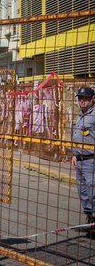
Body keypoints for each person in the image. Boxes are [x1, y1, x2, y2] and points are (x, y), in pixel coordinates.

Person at [72, 87, 95, 239]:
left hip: (91, 160)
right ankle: (90, 221)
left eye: (85, 98)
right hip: (79, 160)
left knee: (93, 193)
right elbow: (77, 136)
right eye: (80, 98)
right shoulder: (81, 115)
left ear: (93, 98)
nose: (82, 101)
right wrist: (74, 154)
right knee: (83, 193)